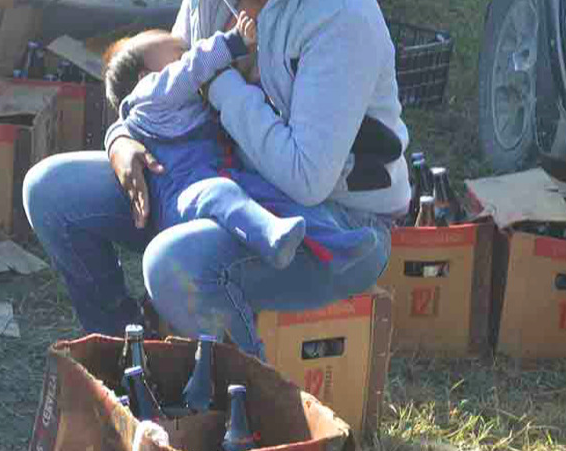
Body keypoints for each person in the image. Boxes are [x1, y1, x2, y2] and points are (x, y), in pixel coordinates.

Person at [23, 0, 410, 358]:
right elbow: (175, 76)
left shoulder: (338, 14)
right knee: (50, 191)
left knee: (172, 264)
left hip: (333, 225)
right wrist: (122, 138)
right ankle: (129, 355)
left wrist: (222, 86)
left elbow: (307, 178)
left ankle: (244, 392)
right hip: (215, 176)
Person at [102, 17, 378, 271]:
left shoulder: (186, 106)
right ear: (145, 78)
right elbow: (191, 69)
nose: (188, 53)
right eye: (178, 54)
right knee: (220, 193)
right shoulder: (148, 98)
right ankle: (271, 238)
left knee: (273, 193)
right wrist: (232, 42)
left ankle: (338, 245)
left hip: (226, 176)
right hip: (182, 197)